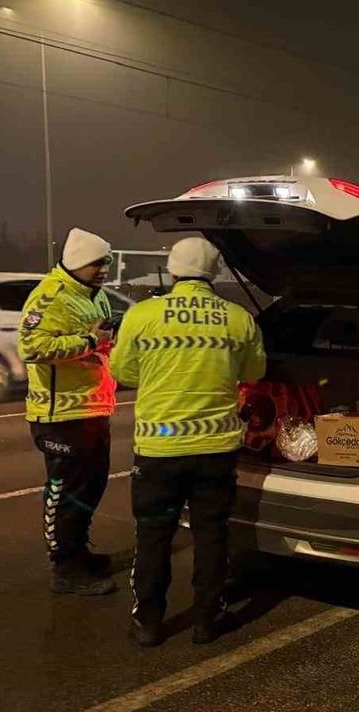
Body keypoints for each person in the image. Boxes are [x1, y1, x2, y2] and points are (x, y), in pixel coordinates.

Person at [111, 238, 266, 647]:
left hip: (159, 449)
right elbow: (255, 370)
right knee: (211, 534)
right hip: (215, 449)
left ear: (173, 270)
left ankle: (148, 623)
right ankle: (207, 620)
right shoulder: (238, 318)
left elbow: (123, 372)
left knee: (153, 535)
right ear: (213, 273)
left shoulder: (142, 315)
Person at [18, 228, 119, 596]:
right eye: (97, 263)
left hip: (92, 408)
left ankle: (78, 550)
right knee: (67, 493)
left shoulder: (95, 294)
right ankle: (65, 567)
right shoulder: (51, 297)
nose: (104, 269)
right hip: (60, 416)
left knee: (92, 486)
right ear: (77, 261)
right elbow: (32, 347)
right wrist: (90, 340)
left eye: (107, 262)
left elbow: (101, 340)